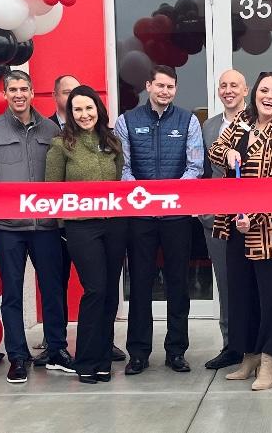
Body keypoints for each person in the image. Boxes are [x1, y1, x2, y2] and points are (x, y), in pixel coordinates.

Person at [0, 70, 70, 384]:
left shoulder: (51, 129)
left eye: (23, 88)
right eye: (12, 89)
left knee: (53, 290)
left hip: (47, 226)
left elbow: (63, 173)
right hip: (8, 227)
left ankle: (57, 349)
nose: (18, 95)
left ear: (32, 91)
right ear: (5, 93)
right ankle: (18, 356)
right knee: (12, 293)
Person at [207, 71, 272, 392]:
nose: (269, 96)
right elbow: (215, 149)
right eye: (264, 90)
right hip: (237, 225)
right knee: (243, 293)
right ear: (255, 94)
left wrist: (252, 214)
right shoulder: (241, 123)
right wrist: (227, 153)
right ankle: (249, 355)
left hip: (271, 226)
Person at [115, 65, 204, 375]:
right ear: (148, 86)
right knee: (140, 285)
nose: (165, 91)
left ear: (175, 90)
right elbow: (123, 168)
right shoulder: (126, 121)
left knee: (178, 285)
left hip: (177, 216)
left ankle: (176, 351)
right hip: (140, 217)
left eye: (171, 86)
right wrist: (144, 196)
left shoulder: (189, 120)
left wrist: (170, 196)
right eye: (160, 85)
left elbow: (195, 167)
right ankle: (138, 353)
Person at [45, 85, 127, 384]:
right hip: (81, 227)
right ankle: (86, 361)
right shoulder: (60, 145)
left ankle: (103, 359)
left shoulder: (113, 142)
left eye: (88, 108)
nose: (84, 114)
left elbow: (118, 179)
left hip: (114, 225)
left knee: (109, 295)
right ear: (70, 113)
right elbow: (51, 192)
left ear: (98, 110)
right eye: (77, 109)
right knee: (95, 290)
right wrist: (61, 228)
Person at [199, 68, 248, 370]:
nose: (228, 90)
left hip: (252, 215)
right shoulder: (209, 126)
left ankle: (255, 346)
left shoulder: (258, 122)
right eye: (223, 86)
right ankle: (231, 344)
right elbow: (204, 170)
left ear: (246, 90)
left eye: (235, 85)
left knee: (254, 282)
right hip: (217, 217)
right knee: (226, 281)